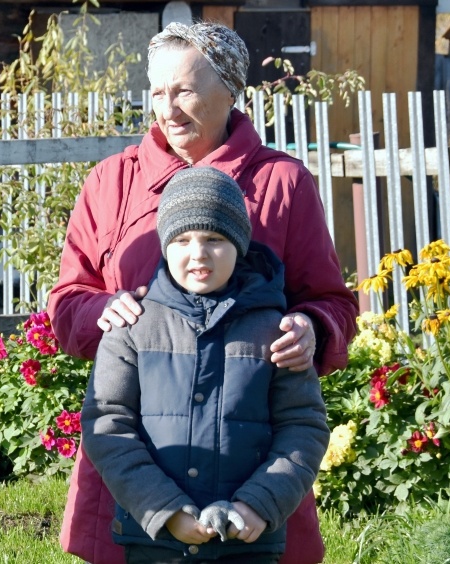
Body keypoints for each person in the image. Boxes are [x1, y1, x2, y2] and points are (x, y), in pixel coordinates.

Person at [47, 21, 358, 564]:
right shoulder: (110, 182)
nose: (168, 108)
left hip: (251, 462)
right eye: (159, 92)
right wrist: (101, 308)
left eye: (185, 90)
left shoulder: (282, 183)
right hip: (136, 472)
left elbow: (332, 300)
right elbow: (67, 299)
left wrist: (311, 326)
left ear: (229, 91)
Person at [81, 166, 330, 563]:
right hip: (155, 540)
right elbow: (107, 423)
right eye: (182, 240)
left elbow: (304, 427)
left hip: (249, 542)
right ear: (165, 247)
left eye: (214, 238)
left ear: (239, 244)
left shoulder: (275, 331)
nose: (198, 253)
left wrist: (260, 504)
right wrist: (164, 509)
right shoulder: (133, 326)